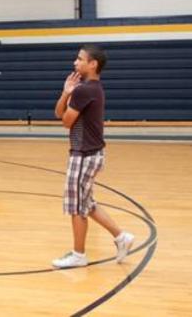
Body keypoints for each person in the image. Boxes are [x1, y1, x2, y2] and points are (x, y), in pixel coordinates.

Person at [52, 44, 134, 268]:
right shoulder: (91, 88)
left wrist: (71, 94)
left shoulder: (84, 90)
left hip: (83, 155)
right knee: (87, 203)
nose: (75, 62)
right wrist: (66, 92)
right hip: (92, 154)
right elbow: (59, 112)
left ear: (93, 64)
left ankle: (78, 255)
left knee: (77, 207)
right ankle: (121, 237)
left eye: (80, 59)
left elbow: (66, 122)